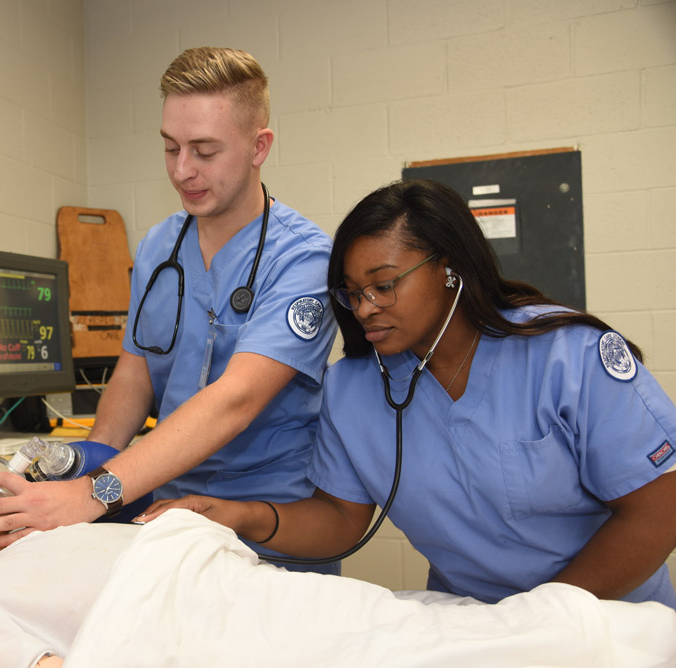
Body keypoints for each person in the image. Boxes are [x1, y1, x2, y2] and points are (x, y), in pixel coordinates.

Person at [141, 178, 676, 608]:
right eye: (351, 293)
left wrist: (547, 618)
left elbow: (658, 510)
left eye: (384, 283)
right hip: (472, 628)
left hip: (609, 617)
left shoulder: (569, 356)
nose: (366, 306)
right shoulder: (353, 390)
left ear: (450, 270)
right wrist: (241, 515)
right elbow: (339, 521)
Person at [0, 47, 337, 571]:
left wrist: (96, 493)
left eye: (205, 150)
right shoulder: (161, 248)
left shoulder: (304, 260)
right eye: (170, 147)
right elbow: (135, 373)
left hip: (268, 522)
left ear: (258, 146)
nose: (183, 171)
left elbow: (235, 400)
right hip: (165, 511)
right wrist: (82, 469)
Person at [0, 432, 676, 668]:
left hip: (256, 600)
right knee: (536, 642)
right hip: (214, 636)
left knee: (447, 629)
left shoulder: (47, 539)